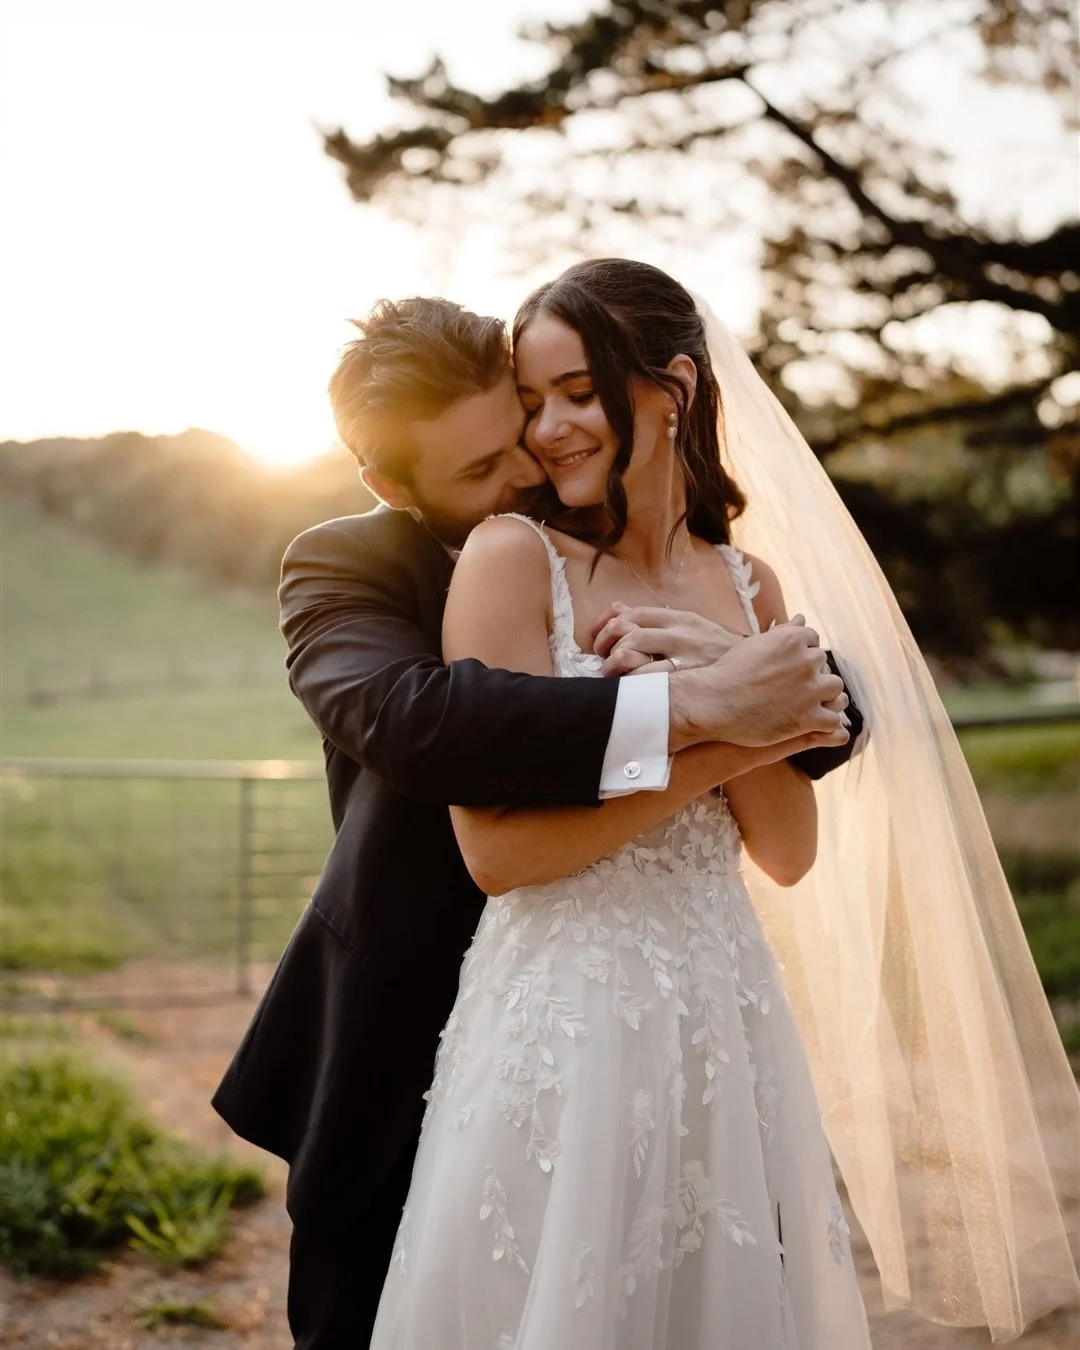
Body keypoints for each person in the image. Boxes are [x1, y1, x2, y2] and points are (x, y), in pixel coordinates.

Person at [368, 262, 1080, 1348]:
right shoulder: (513, 560)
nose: (548, 430)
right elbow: (500, 859)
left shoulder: (751, 589)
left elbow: (787, 852)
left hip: (724, 1012)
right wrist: (724, 715)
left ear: (674, 389)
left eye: (577, 393)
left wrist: (719, 667)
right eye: (533, 400)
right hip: (563, 1017)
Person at [210, 296, 859, 1349]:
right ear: (391, 485)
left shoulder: (700, 565)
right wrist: (709, 706)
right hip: (415, 1018)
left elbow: (823, 722)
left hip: (680, 1015)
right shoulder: (351, 565)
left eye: (526, 422)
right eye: (483, 467)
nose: (531, 465)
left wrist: (770, 688)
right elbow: (419, 723)